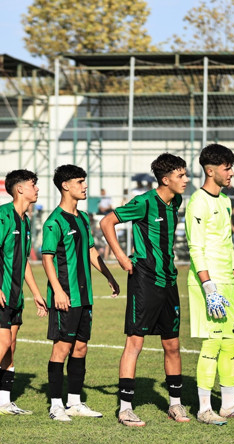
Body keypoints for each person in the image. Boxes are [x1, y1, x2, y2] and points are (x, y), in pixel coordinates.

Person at [99, 153, 190, 427]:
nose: (186, 180)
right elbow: (106, 222)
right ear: (165, 179)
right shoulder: (144, 202)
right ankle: (125, 408)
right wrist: (121, 257)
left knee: (172, 344)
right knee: (135, 343)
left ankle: (175, 404)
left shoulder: (176, 201)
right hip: (144, 280)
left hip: (169, 280)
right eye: (180, 175)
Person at [186, 144, 234, 425]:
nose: (231, 173)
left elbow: (227, 245)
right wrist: (209, 289)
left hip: (227, 281)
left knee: (232, 343)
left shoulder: (225, 201)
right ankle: (204, 408)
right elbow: (195, 248)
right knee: (213, 342)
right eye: (226, 168)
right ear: (210, 170)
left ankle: (228, 405)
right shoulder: (198, 202)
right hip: (207, 284)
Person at [41, 164, 120, 421]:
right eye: (79, 182)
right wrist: (58, 291)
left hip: (84, 296)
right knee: (61, 349)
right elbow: (47, 258)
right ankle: (56, 406)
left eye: (84, 181)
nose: (85, 186)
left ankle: (74, 402)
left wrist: (108, 276)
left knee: (81, 348)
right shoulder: (54, 222)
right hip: (66, 295)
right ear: (65, 186)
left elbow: (91, 250)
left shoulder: (84, 218)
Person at [0, 169, 48, 418]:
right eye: (33, 184)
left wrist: (35, 293)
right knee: (2, 342)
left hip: (15, 295)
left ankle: (4, 401)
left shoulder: (25, 220)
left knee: (11, 346)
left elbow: (23, 262)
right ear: (20, 188)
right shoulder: (2, 214)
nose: (37, 188)